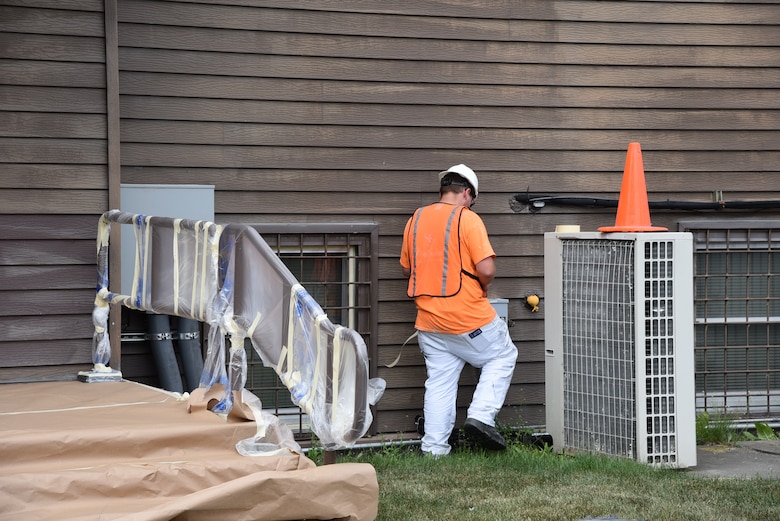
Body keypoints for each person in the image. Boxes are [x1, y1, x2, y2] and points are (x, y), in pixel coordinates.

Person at [400, 164, 518, 457]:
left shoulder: (415, 219)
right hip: (468, 318)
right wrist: (482, 284)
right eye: (472, 199)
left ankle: (434, 450)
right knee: (503, 355)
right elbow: (486, 268)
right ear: (467, 193)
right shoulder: (467, 218)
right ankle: (480, 416)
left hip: (429, 323)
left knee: (440, 383)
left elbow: (406, 268)